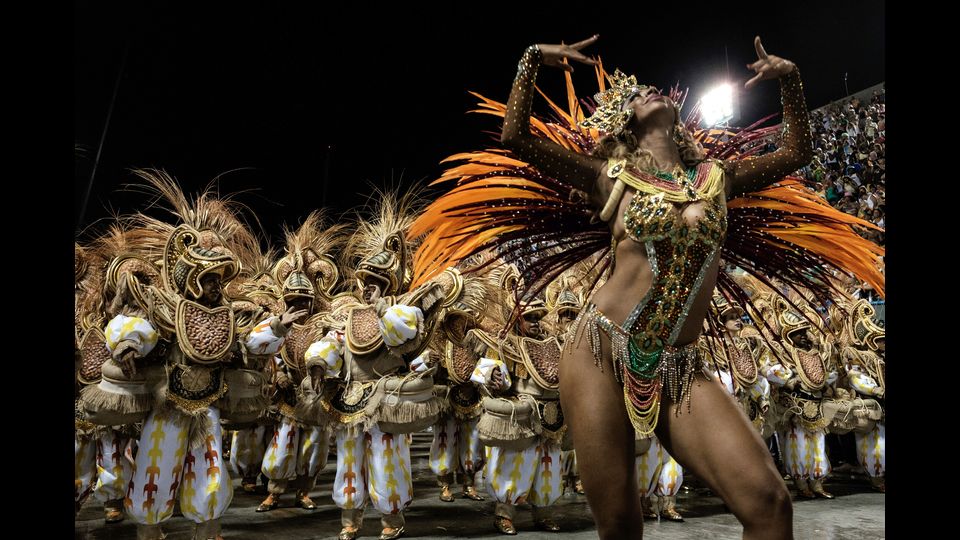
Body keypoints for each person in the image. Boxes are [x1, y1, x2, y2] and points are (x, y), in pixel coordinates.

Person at [406, 35, 883, 539]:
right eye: (637, 95)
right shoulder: (610, 177)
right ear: (625, 123)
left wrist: (789, 79)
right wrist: (530, 61)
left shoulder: (717, 176)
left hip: (679, 364)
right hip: (598, 351)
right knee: (619, 524)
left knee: (769, 503)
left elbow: (796, 150)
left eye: (654, 90)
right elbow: (516, 138)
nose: (649, 92)